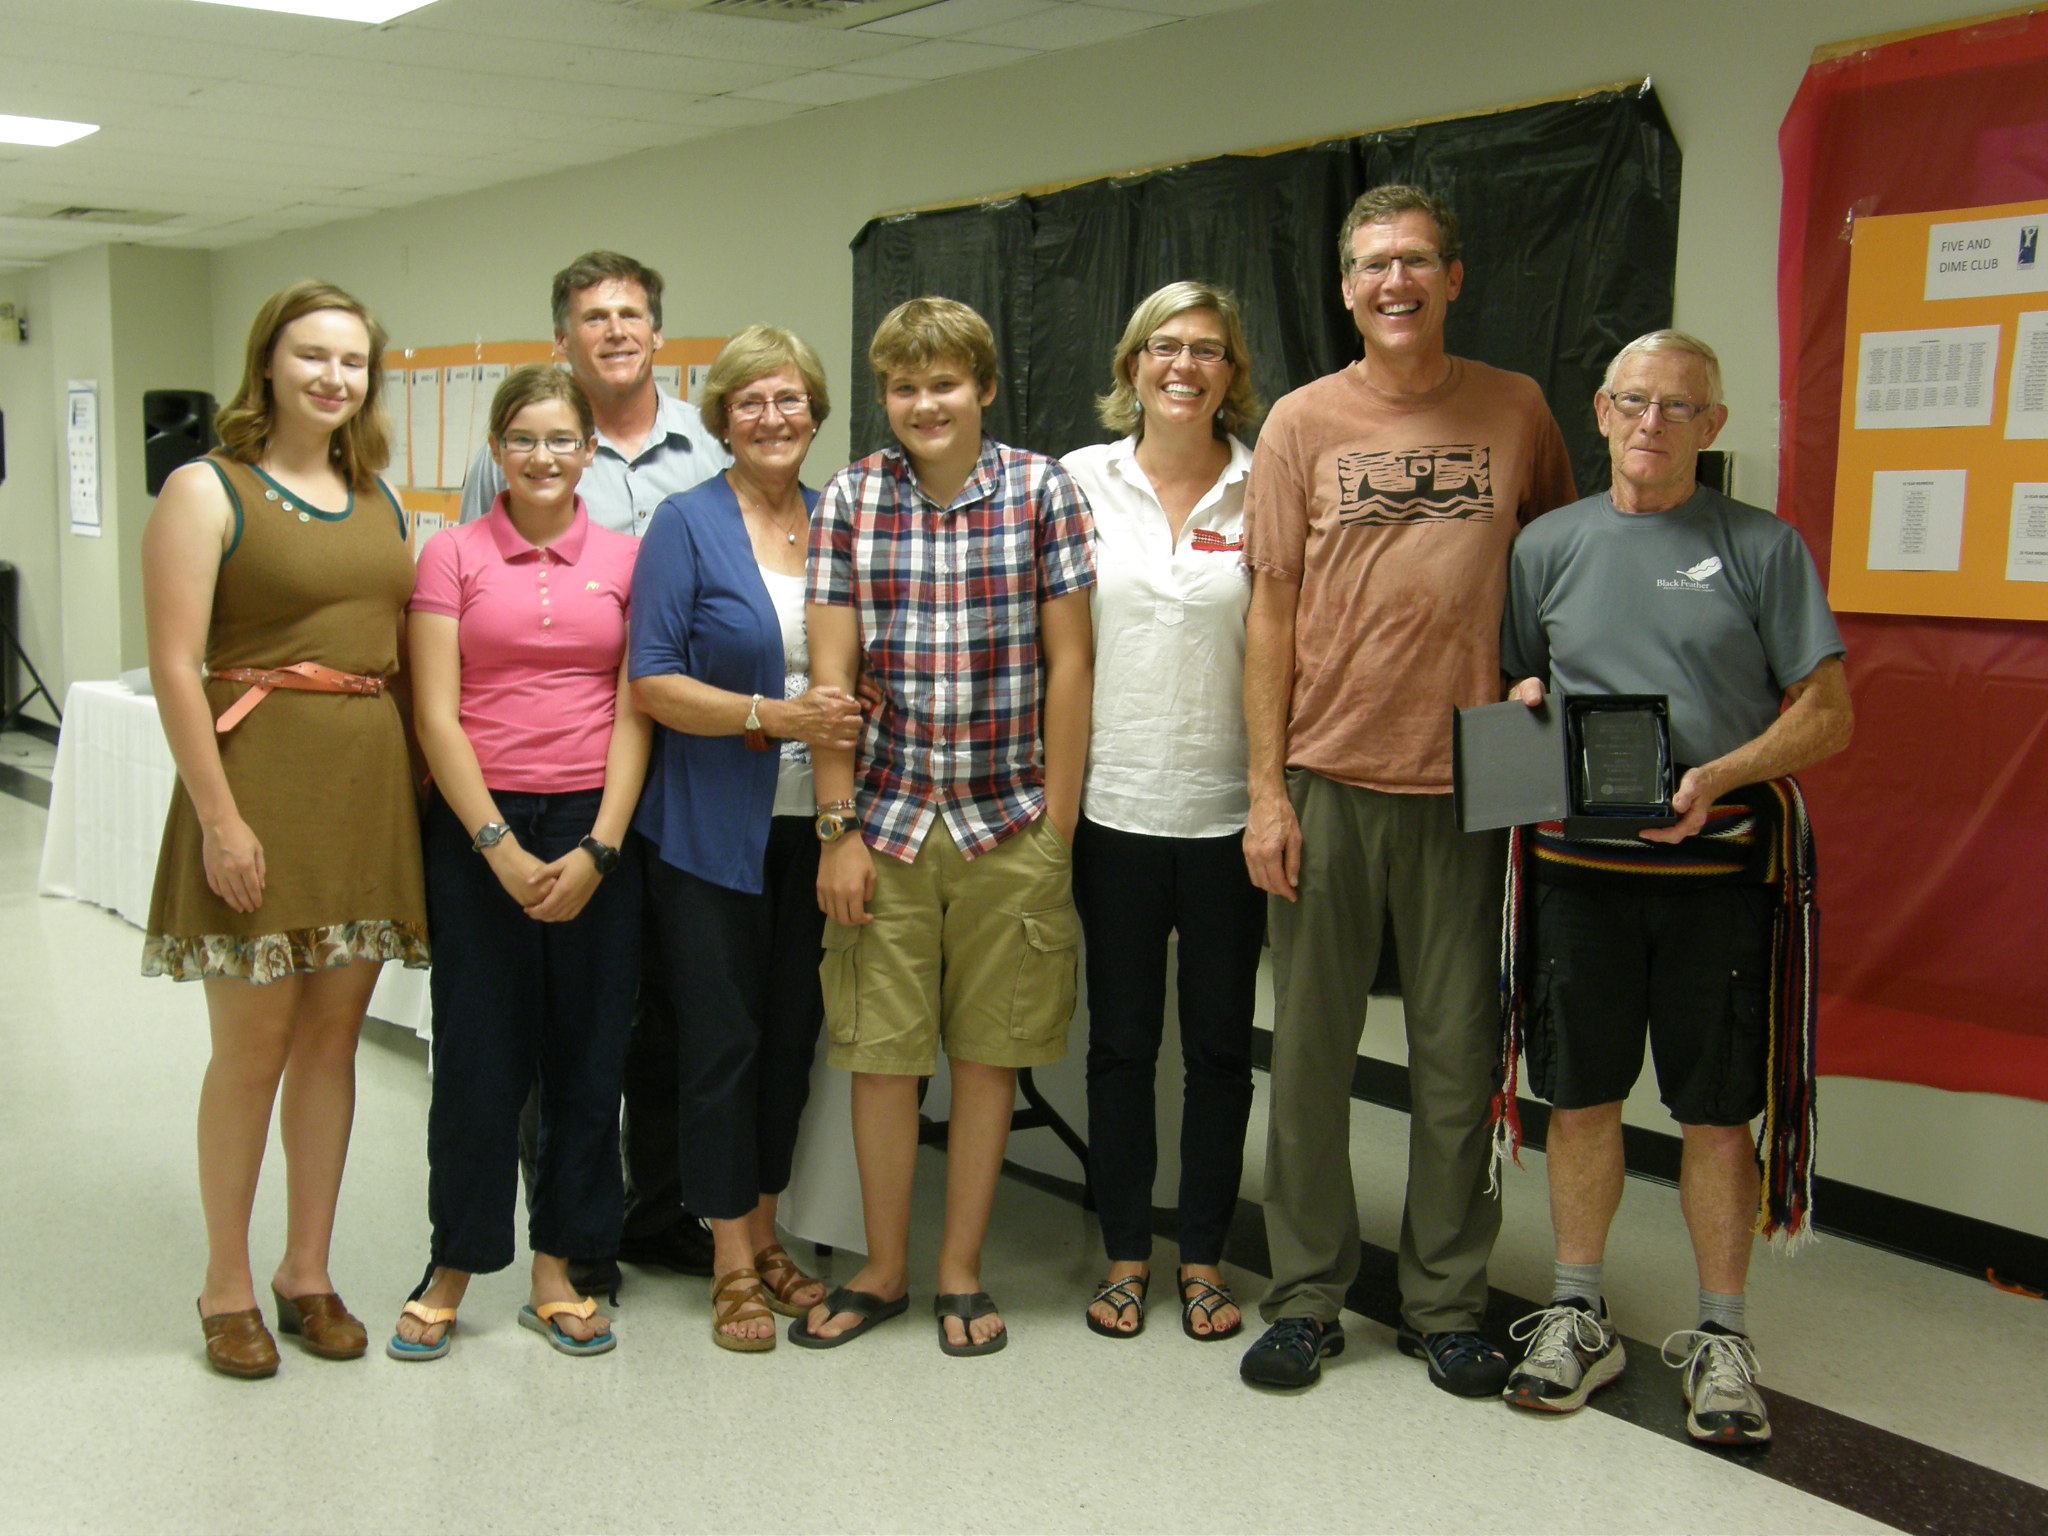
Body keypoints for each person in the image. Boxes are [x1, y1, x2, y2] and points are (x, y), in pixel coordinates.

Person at [1238, 185, 1577, 1394]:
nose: (1395, 282)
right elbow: (1268, 609)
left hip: (1476, 779)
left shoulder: (1516, 410)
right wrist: (1264, 793)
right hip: (1326, 771)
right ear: (1344, 289)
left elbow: (1555, 573)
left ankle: (1444, 1301)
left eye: (1416, 262)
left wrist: (1538, 708)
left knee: (1457, 1060)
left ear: (1451, 278)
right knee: (1312, 1062)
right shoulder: (1298, 422)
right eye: (1373, 265)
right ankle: (1306, 1296)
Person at [1497, 330, 1851, 1445]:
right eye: (1633, 401)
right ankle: (1573, 1313)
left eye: (1678, 407)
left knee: (1713, 1113)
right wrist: (1517, 724)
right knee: (1580, 1100)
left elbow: (1827, 714)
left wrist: (1721, 773)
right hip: (1575, 882)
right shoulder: (1543, 547)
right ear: (1599, 411)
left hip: (1717, 884)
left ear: (1713, 425)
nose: (1652, 423)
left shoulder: (1760, 548)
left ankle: (1721, 1337)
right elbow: (1514, 688)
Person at [796, 297, 1095, 1356]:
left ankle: (959, 1272)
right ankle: (883, 1268)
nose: (925, 403)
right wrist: (837, 830)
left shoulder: (1040, 490)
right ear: (886, 398)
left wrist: (1055, 824)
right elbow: (830, 682)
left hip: (1006, 818)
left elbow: (1070, 661)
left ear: (983, 388)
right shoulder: (851, 499)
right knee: (881, 1058)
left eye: (944, 382)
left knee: (986, 1057)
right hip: (883, 820)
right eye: (904, 386)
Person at [142, 281, 430, 1380]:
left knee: (330, 1045)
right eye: (310, 356)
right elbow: (176, 665)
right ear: (268, 364)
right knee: (252, 1048)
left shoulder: (382, 499)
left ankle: (305, 1270)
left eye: (351, 361)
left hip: (361, 796)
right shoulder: (207, 488)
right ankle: (226, 1280)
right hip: (255, 787)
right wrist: (220, 817)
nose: (331, 377)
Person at [460, 251, 729, 1289]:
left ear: (657, 332)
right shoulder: (525, 447)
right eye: (591, 317)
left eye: (630, 314)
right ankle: (569, 1230)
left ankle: (655, 1211)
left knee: (664, 1004)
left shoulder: (706, 448)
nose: (613, 330)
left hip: (682, 767)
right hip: (557, 770)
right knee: (560, 1016)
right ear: (562, 339)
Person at [387, 365, 650, 1360]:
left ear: (591, 451)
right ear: (496, 451)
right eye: (522, 439)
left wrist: (600, 845)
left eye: (561, 439)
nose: (542, 457)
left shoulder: (626, 559)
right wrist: (494, 845)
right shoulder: (449, 555)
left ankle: (559, 1269)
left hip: (594, 822)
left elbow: (636, 709)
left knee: (588, 1058)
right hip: (477, 825)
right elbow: (433, 714)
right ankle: (453, 1261)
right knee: (477, 1057)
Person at [627, 327, 863, 1352]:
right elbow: (652, 679)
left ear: (815, 414)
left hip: (815, 831)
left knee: (786, 1040)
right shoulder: (684, 524)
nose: (773, 417)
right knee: (718, 1044)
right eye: (751, 402)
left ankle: (767, 1233)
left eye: (790, 400)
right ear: (723, 418)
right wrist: (773, 718)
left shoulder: (836, 519)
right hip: (705, 836)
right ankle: (727, 1256)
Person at [1060, 282, 1266, 1342]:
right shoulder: (1074, 483)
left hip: (1232, 816)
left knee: (1223, 1051)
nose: (1183, 366)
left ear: (1233, 374)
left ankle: (1204, 1258)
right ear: (1130, 364)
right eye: (1163, 347)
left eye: (1207, 351)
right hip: (1114, 811)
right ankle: (1125, 1255)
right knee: (1122, 1048)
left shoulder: (1263, 485)